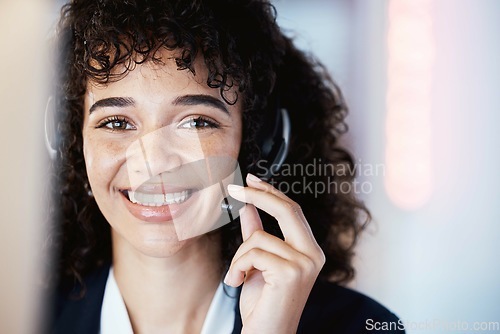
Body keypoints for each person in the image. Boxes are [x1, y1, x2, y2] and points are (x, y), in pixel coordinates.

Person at [46, 0, 404, 333]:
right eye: (117, 123)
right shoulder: (21, 318)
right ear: (72, 145)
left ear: (260, 144)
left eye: (197, 122)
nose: (153, 162)